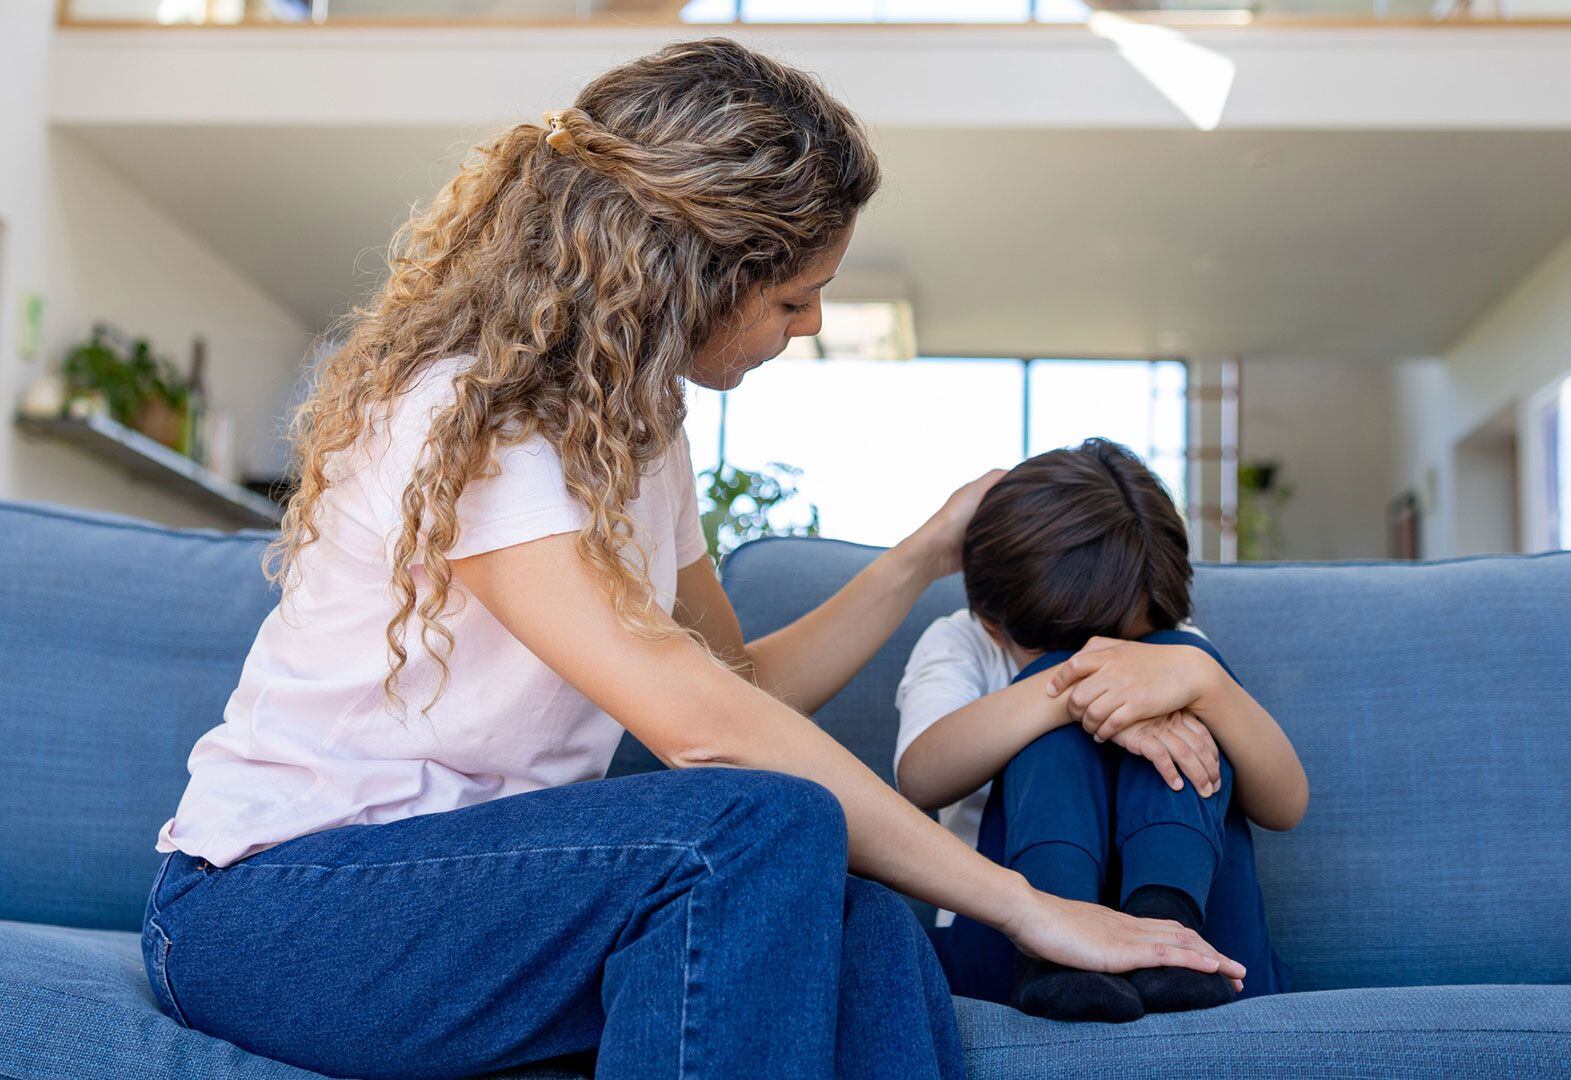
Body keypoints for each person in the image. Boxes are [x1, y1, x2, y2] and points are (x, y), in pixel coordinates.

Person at [139, 40, 1244, 1080]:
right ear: (684, 275)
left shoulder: (641, 432)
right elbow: (698, 725)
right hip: (274, 913)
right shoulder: (469, 417)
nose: (806, 327)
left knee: (853, 912)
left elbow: (733, 684)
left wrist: (921, 555)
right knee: (764, 827)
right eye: (790, 299)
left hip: (489, 903)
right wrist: (1023, 903)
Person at [895, 438, 1308, 1023]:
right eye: (1079, 648)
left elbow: (1286, 805)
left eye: (1122, 644)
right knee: (1048, 706)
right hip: (1018, 955)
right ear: (993, 622)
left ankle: (1166, 918)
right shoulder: (964, 639)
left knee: (1181, 660)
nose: (1109, 659)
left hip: (1202, 956)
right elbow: (920, 776)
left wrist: (1199, 679)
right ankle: (1059, 948)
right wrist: (1070, 691)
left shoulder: (1174, 645)